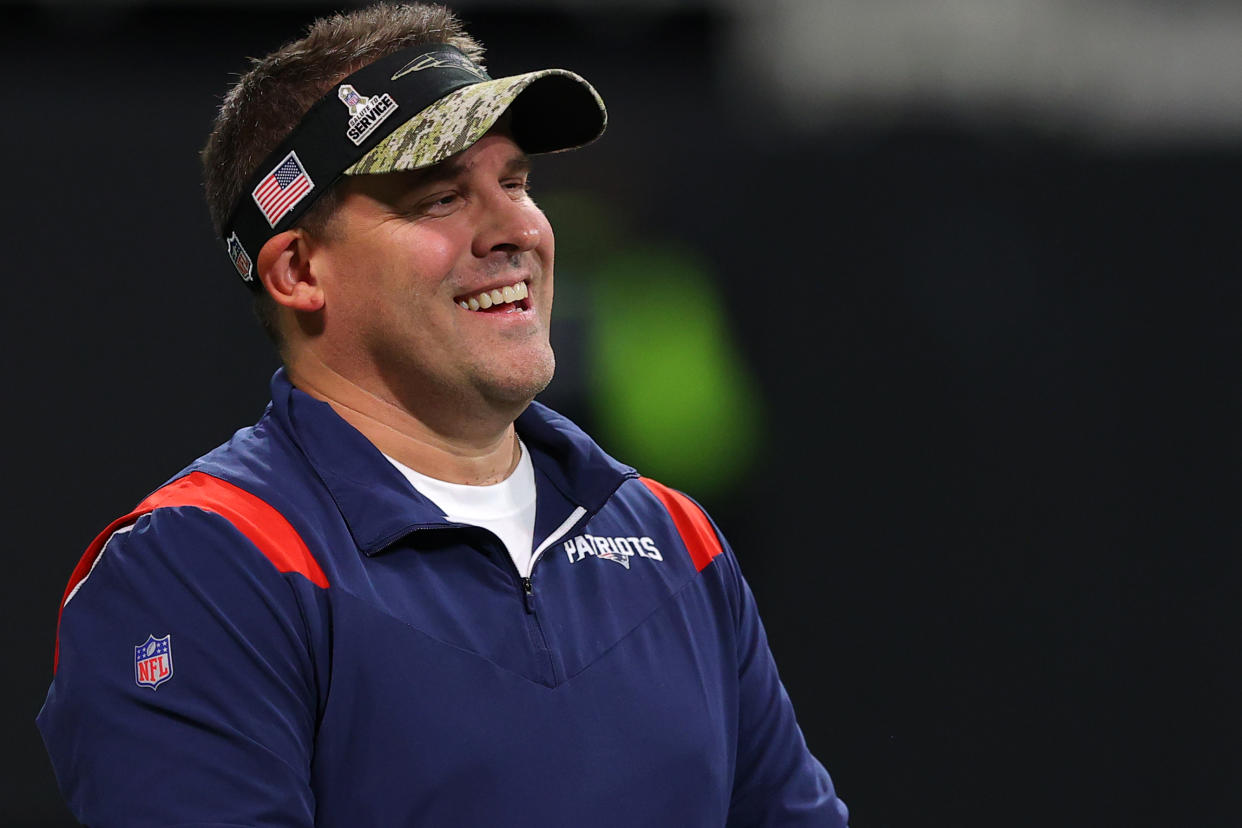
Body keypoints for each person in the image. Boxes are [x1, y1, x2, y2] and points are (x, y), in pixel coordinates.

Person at [37, 3, 849, 825]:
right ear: (297, 271)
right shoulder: (203, 566)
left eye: (516, 182)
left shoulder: (679, 544)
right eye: (438, 197)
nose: (516, 229)